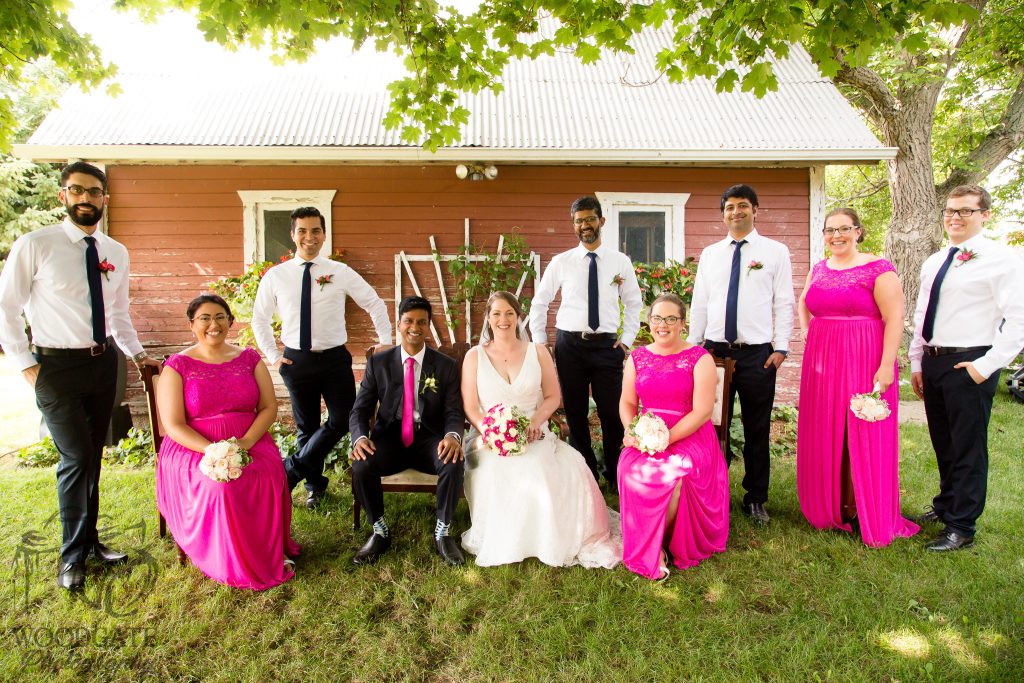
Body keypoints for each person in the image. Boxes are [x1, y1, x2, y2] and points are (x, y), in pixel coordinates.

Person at [0, 161, 160, 592]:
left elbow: (119, 314)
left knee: (93, 455)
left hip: (103, 362)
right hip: (54, 367)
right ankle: (71, 558)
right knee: (75, 458)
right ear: (63, 196)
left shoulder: (115, 252)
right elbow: (6, 307)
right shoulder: (36, 245)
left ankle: (90, 544)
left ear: (104, 198)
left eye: (93, 192)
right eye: (76, 191)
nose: (85, 199)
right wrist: (25, 364)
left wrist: (139, 355)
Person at [460, 292, 621, 568]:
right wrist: (492, 431)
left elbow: (552, 397)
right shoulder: (475, 356)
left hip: (535, 433)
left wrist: (535, 422)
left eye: (509, 313)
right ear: (487, 318)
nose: (503, 319)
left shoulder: (538, 351)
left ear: (519, 317)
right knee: (495, 471)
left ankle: (547, 539)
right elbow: (472, 407)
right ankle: (509, 539)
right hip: (490, 439)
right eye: (496, 313)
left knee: (543, 467)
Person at [155, 294, 300, 589]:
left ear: (231, 322)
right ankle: (227, 557)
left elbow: (269, 408)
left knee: (265, 472)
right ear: (191, 325)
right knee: (220, 485)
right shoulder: (177, 365)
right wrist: (213, 451)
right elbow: (173, 424)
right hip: (193, 445)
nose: (213, 324)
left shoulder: (249, 359)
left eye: (220, 317)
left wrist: (245, 442)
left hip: (249, 438)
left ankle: (267, 551)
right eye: (205, 318)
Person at [252, 206, 391, 510]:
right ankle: (314, 486)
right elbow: (259, 320)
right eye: (302, 231)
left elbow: (374, 304)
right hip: (295, 361)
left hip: (334, 360)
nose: (309, 237)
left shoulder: (338, 272)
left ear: (324, 234)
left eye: (315, 230)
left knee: (342, 419)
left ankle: (292, 469)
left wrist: (386, 344)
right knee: (307, 426)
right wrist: (274, 358)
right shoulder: (277, 276)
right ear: (293, 235)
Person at [909, 185, 1024, 551]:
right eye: (949, 211)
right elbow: (923, 313)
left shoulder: (1003, 259)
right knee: (944, 441)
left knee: (968, 446)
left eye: (964, 211)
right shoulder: (935, 260)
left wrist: (985, 367)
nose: (954, 217)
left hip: (970, 361)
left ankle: (962, 526)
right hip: (933, 359)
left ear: (985, 215)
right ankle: (946, 506)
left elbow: (1018, 320)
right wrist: (916, 360)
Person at [796, 208, 919, 546]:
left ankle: (870, 511)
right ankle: (832, 507)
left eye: (845, 229)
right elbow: (804, 303)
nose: (837, 236)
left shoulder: (878, 268)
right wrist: (808, 332)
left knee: (865, 431)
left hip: (865, 356)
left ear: (859, 231)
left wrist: (885, 365)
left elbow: (894, 318)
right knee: (825, 427)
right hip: (822, 360)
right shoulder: (819, 268)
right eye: (830, 230)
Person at [687, 184, 795, 525]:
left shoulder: (775, 252)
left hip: (757, 354)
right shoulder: (710, 254)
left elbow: (784, 301)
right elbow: (700, 302)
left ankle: (756, 497)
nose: (736, 212)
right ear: (723, 214)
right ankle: (711, 490)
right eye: (730, 207)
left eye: (743, 206)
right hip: (714, 353)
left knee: (756, 427)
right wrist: (694, 348)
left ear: (755, 210)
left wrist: (780, 347)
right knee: (711, 425)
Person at [528, 196, 642, 492]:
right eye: (578, 221)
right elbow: (539, 304)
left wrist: (626, 341)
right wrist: (541, 346)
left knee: (611, 412)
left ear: (601, 221)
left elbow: (634, 303)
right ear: (574, 225)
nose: (584, 225)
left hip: (607, 347)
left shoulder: (620, 262)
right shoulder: (561, 262)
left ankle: (616, 473)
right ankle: (586, 473)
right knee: (576, 412)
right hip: (570, 347)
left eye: (589, 219)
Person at [618, 294, 729, 580]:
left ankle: (658, 545)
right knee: (631, 469)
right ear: (649, 322)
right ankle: (653, 547)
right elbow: (628, 403)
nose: (662, 325)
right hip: (646, 431)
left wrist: (665, 439)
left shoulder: (699, 358)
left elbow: (703, 411)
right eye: (657, 318)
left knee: (674, 476)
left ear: (682, 323)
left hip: (689, 433)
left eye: (670, 319)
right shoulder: (638, 357)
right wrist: (633, 431)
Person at [349, 296, 466, 566]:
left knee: (452, 459)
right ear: (399, 324)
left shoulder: (445, 366)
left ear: (428, 327)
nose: (415, 327)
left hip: (429, 439)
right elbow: (360, 409)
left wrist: (452, 436)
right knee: (362, 462)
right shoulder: (379, 363)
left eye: (422, 322)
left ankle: (443, 531)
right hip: (389, 439)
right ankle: (379, 529)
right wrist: (360, 438)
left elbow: (453, 411)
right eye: (409, 321)